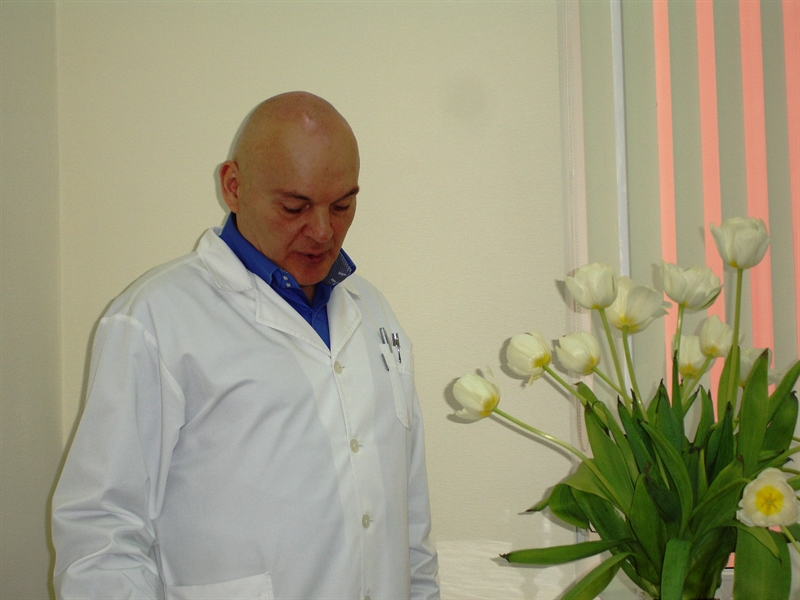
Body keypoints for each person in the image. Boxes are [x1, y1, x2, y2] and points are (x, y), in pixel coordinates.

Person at [51, 92, 440, 600]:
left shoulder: (374, 313)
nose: (323, 231)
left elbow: (410, 524)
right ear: (233, 186)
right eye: (295, 207)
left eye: (343, 205)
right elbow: (101, 534)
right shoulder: (155, 318)